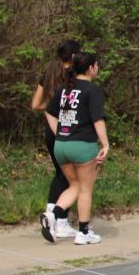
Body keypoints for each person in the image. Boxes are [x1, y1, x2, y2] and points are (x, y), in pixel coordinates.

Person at [41, 52, 109, 245]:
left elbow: (49, 112)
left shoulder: (65, 88)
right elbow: (98, 120)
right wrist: (105, 144)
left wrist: (60, 132)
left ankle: (52, 215)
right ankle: (83, 232)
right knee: (86, 189)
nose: (97, 68)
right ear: (90, 68)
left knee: (75, 185)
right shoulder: (92, 90)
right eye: (96, 65)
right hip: (82, 145)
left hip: (61, 145)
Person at [32, 40, 80, 240]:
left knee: (61, 174)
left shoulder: (49, 73)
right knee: (71, 177)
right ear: (74, 56)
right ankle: (57, 220)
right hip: (68, 129)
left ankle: (54, 217)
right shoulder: (74, 75)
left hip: (50, 132)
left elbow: (35, 104)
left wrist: (52, 105)